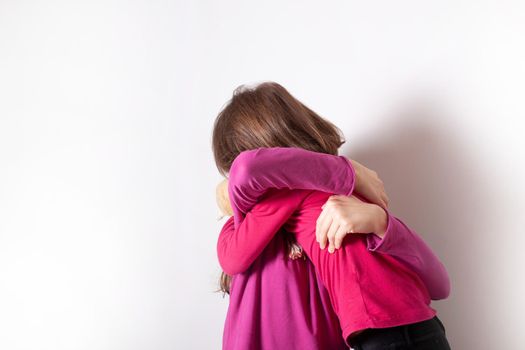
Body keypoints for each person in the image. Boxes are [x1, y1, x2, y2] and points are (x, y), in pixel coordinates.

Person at [212, 82, 451, 349]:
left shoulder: (346, 206)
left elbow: (440, 285)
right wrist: (349, 171)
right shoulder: (242, 227)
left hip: (407, 331)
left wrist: (382, 222)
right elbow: (247, 171)